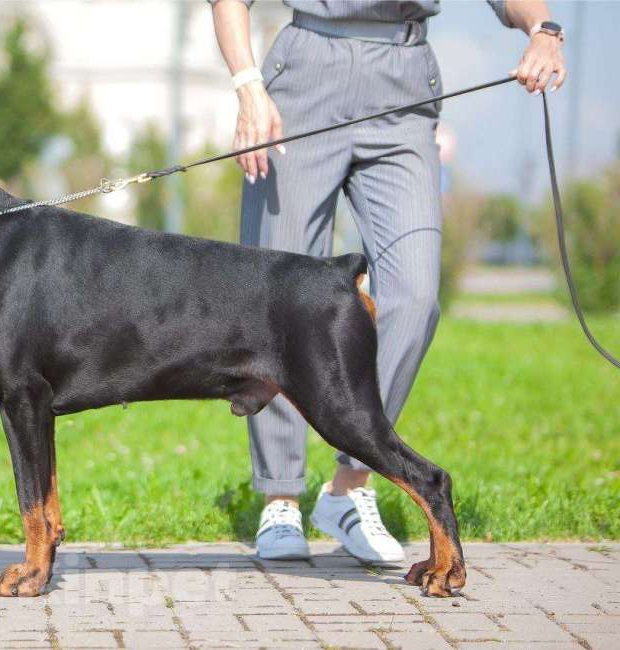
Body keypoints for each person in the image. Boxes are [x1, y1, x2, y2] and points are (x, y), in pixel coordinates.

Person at [210, 0, 566, 563]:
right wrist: (248, 86)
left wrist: (543, 30)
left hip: (403, 84)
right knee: (276, 304)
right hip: (303, 76)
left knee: (415, 295)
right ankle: (280, 496)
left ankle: (350, 486)